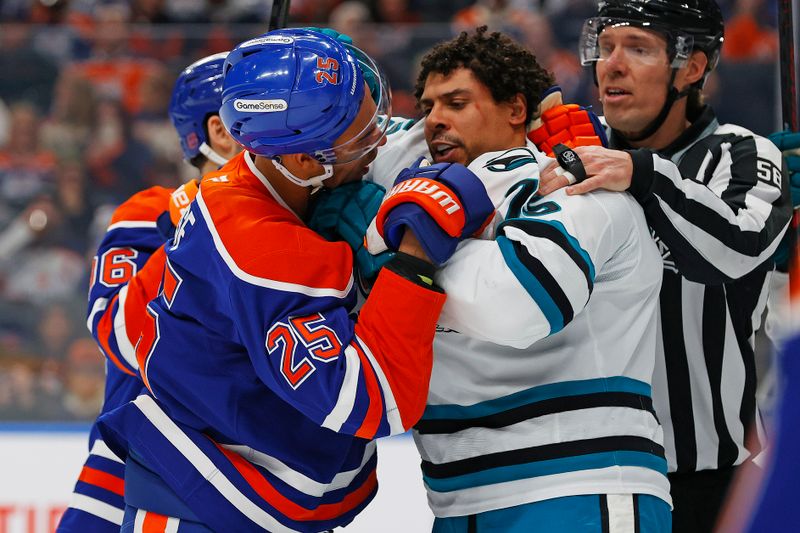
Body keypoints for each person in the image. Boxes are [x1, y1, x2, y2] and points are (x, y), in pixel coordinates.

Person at [96, 29, 493, 533]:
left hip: (223, 495)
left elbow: (136, 329)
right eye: (360, 132)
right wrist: (414, 259)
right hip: (215, 505)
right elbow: (372, 400)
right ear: (305, 161)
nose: (379, 139)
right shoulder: (265, 250)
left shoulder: (254, 178)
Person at [334, 26, 669, 531]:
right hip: (454, 497)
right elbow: (350, 144)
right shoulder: (411, 186)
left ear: (517, 109)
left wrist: (401, 257)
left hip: (579, 484)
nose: (436, 121)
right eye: (429, 107)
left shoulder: (573, 186)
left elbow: (520, 307)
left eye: (458, 102)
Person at [535, 1, 792, 530]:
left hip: (705, 478)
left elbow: (735, 250)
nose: (612, 65)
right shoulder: (566, 153)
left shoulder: (741, 155)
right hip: (581, 480)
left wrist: (642, 174)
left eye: (638, 48)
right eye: (605, 48)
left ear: (692, 68)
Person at [57, 51, 242, 532]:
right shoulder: (151, 214)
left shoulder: (295, 229)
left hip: (255, 487)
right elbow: (114, 327)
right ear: (219, 131)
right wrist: (206, 220)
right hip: (135, 475)